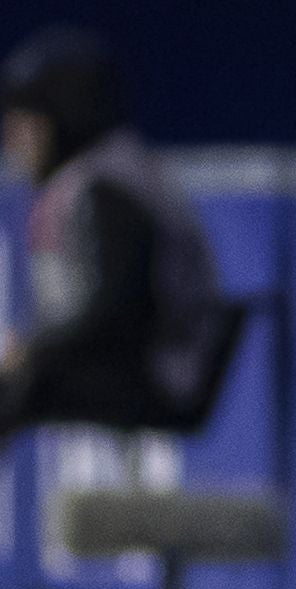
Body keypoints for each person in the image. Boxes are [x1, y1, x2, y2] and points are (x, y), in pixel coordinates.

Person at [0, 28, 224, 438]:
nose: (13, 140)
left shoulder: (110, 185)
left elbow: (117, 310)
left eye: (26, 121)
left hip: (159, 374)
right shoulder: (95, 173)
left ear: (65, 116)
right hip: (136, 366)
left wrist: (35, 351)